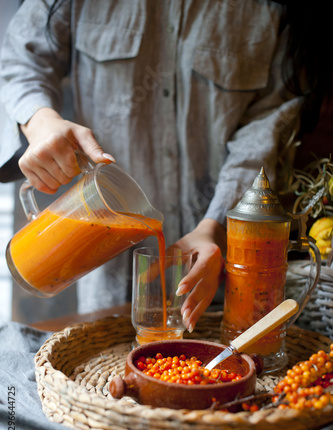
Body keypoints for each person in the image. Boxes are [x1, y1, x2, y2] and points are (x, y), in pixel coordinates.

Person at [0, 0, 331, 331]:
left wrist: (212, 228)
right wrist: (41, 121)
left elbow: (264, 131)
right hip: (105, 282)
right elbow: (21, 56)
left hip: (221, 281)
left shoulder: (274, 10)